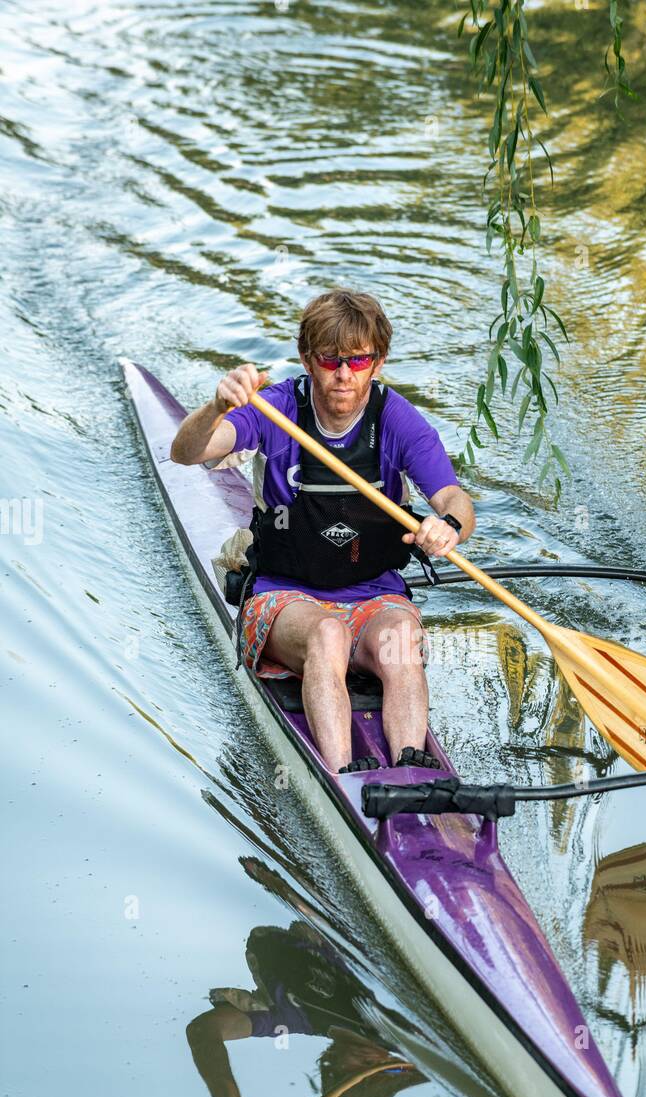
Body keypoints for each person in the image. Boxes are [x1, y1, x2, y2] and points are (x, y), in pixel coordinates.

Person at [170, 289, 475, 772]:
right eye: (331, 360)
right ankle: (343, 779)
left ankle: (412, 771)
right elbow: (187, 452)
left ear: (378, 363)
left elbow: (456, 500)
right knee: (328, 634)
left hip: (376, 596)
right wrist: (215, 408)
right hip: (286, 595)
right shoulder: (275, 408)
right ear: (307, 359)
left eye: (358, 361)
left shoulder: (397, 419)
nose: (343, 375)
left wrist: (449, 526)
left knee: (401, 637)